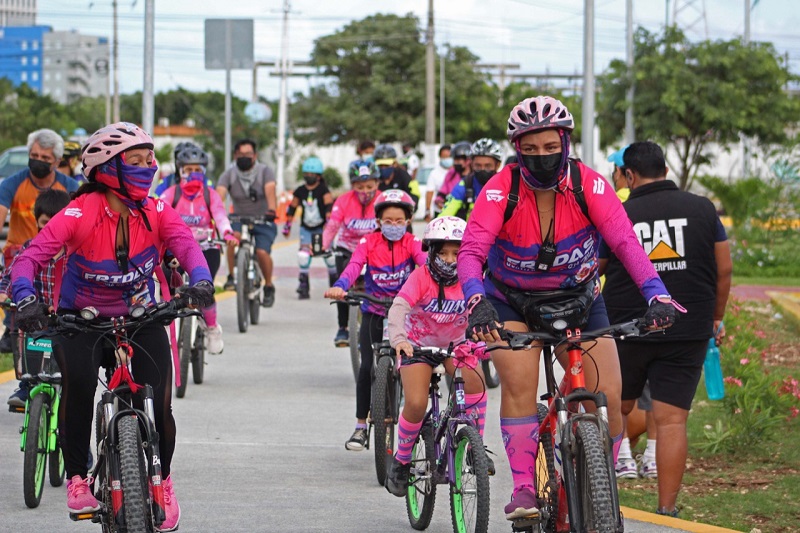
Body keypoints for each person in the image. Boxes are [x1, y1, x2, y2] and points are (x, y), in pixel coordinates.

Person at [457, 96, 683, 521]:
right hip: (511, 301)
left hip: (580, 300)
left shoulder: (590, 185)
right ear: (517, 149)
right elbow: (470, 252)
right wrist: (476, 301)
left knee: (609, 397)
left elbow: (624, 243)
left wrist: (658, 294)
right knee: (521, 383)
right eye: (530, 149)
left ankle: (600, 482)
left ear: (564, 141)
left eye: (550, 147)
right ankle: (525, 487)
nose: (541, 157)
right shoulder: (500, 189)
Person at [10, 122, 215, 531]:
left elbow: (187, 246)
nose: (149, 168)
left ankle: (164, 479)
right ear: (108, 170)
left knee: (159, 405)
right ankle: (76, 478)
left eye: (150, 159)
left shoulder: (156, 210)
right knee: (80, 388)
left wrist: (201, 281)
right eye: (136, 162)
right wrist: (26, 298)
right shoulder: (78, 212)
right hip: (80, 321)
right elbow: (29, 258)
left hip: (143, 319)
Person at [599, 140, 732, 517]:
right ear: (667, 171)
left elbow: (596, 269)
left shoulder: (620, 213)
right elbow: (724, 268)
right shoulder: (703, 209)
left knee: (615, 409)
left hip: (629, 325)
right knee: (673, 420)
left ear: (629, 174)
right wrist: (715, 317)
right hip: (689, 326)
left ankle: (601, 498)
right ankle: (667, 510)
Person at [384, 216, 491, 496]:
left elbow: (487, 309)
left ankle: (474, 448)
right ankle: (402, 460)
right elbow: (398, 309)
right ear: (431, 253)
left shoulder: (473, 278)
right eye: (442, 253)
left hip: (455, 345)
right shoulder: (420, 276)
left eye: (457, 253)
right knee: (417, 403)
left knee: (476, 383)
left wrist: (487, 336)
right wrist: (399, 340)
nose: (450, 259)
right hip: (417, 347)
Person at [324, 190, 425, 451]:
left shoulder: (414, 242)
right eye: (388, 221)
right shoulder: (367, 242)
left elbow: (426, 267)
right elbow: (354, 266)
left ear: (408, 220)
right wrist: (340, 285)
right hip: (374, 310)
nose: (394, 226)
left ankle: (410, 420)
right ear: (378, 222)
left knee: (413, 364)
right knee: (367, 367)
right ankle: (360, 427)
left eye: (399, 221)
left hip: (404, 314)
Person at [0, 129, 80, 353]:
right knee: (16, 264)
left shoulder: (70, 188)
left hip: (59, 253)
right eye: (34, 156)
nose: (38, 161)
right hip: (19, 251)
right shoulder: (12, 184)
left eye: (45, 158)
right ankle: (13, 327)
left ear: (56, 161)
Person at [159, 145, 238, 355]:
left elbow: (220, 216)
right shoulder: (171, 193)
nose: (193, 173)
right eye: (188, 168)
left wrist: (227, 233)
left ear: (204, 171)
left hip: (206, 247)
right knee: (165, 285)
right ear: (180, 170)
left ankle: (212, 328)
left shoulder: (210, 194)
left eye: (198, 169)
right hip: (176, 250)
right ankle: (164, 326)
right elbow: (157, 215)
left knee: (204, 287)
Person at [4, 189, 71, 407]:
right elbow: (11, 274)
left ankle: (72, 435)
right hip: (36, 317)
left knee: (71, 382)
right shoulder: (30, 249)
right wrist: (4, 291)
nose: (50, 227)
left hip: (67, 320)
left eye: (56, 221)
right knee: (27, 341)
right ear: (36, 222)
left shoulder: (75, 252)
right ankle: (27, 385)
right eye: (45, 222)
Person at [322, 160, 381, 346]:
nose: (365, 191)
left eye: (370, 186)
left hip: (374, 249)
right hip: (347, 248)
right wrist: (323, 246)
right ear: (352, 185)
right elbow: (333, 225)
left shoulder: (383, 199)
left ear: (377, 183)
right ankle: (343, 328)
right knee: (341, 283)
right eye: (359, 186)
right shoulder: (343, 200)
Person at [216, 139, 278, 306]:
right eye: (241, 155)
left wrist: (271, 210)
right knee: (232, 238)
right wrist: (215, 212)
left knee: (262, 252)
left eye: (248, 154)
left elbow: (270, 191)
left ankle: (269, 285)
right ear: (235, 155)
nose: (244, 157)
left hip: (263, 219)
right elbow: (219, 195)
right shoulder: (229, 174)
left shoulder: (265, 172)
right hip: (238, 218)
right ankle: (231, 276)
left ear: (255, 155)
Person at [282, 156, 335, 299]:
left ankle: (335, 285)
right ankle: (303, 286)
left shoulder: (323, 190)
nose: (309, 177)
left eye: (313, 174)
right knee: (303, 257)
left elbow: (329, 209)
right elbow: (292, 209)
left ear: (318, 176)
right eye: (307, 174)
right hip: (306, 228)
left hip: (322, 228)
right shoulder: (300, 191)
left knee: (330, 257)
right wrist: (287, 227)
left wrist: (329, 228)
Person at [440, 138, 504, 220]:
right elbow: (444, 215)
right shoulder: (465, 185)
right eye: (478, 166)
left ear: (497, 165)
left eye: (488, 166)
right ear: (472, 164)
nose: (482, 169)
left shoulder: (506, 185)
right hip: (471, 231)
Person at [374, 144, 420, 208]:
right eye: (381, 166)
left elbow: (414, 195)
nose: (383, 168)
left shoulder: (403, 176)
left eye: (387, 165)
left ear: (394, 163)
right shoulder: (374, 178)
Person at [433, 140, 471, 212]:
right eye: (454, 159)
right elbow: (443, 191)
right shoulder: (452, 174)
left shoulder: (475, 177)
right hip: (453, 213)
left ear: (468, 160)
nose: (455, 162)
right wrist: (439, 201)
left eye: (459, 160)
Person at [424, 144, 451, 220]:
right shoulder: (434, 173)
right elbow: (430, 192)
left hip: (456, 212)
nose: (447, 159)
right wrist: (427, 210)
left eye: (449, 157)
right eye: (444, 157)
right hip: (440, 211)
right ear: (440, 157)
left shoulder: (457, 173)